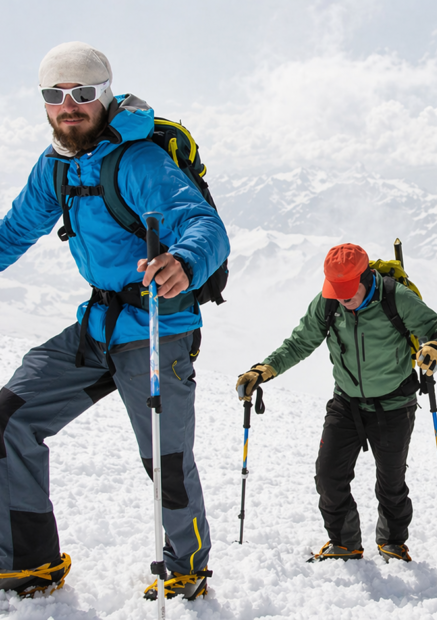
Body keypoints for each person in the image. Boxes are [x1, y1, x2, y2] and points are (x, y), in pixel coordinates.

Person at [0, 42, 229, 599]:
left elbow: (204, 225)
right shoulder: (56, 165)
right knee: (9, 418)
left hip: (156, 327)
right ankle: (29, 563)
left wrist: (184, 261)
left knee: (165, 459)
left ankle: (187, 569)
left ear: (103, 94)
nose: (67, 106)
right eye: (54, 94)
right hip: (98, 324)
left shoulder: (139, 160)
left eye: (81, 93)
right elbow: (14, 231)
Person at [236, 243, 437, 563]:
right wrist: (265, 369)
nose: (342, 298)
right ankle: (345, 542)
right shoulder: (327, 303)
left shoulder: (396, 298)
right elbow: (299, 342)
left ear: (366, 278)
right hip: (346, 403)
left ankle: (393, 542)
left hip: (394, 405)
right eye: (336, 291)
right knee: (328, 475)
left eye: (348, 291)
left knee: (391, 482)